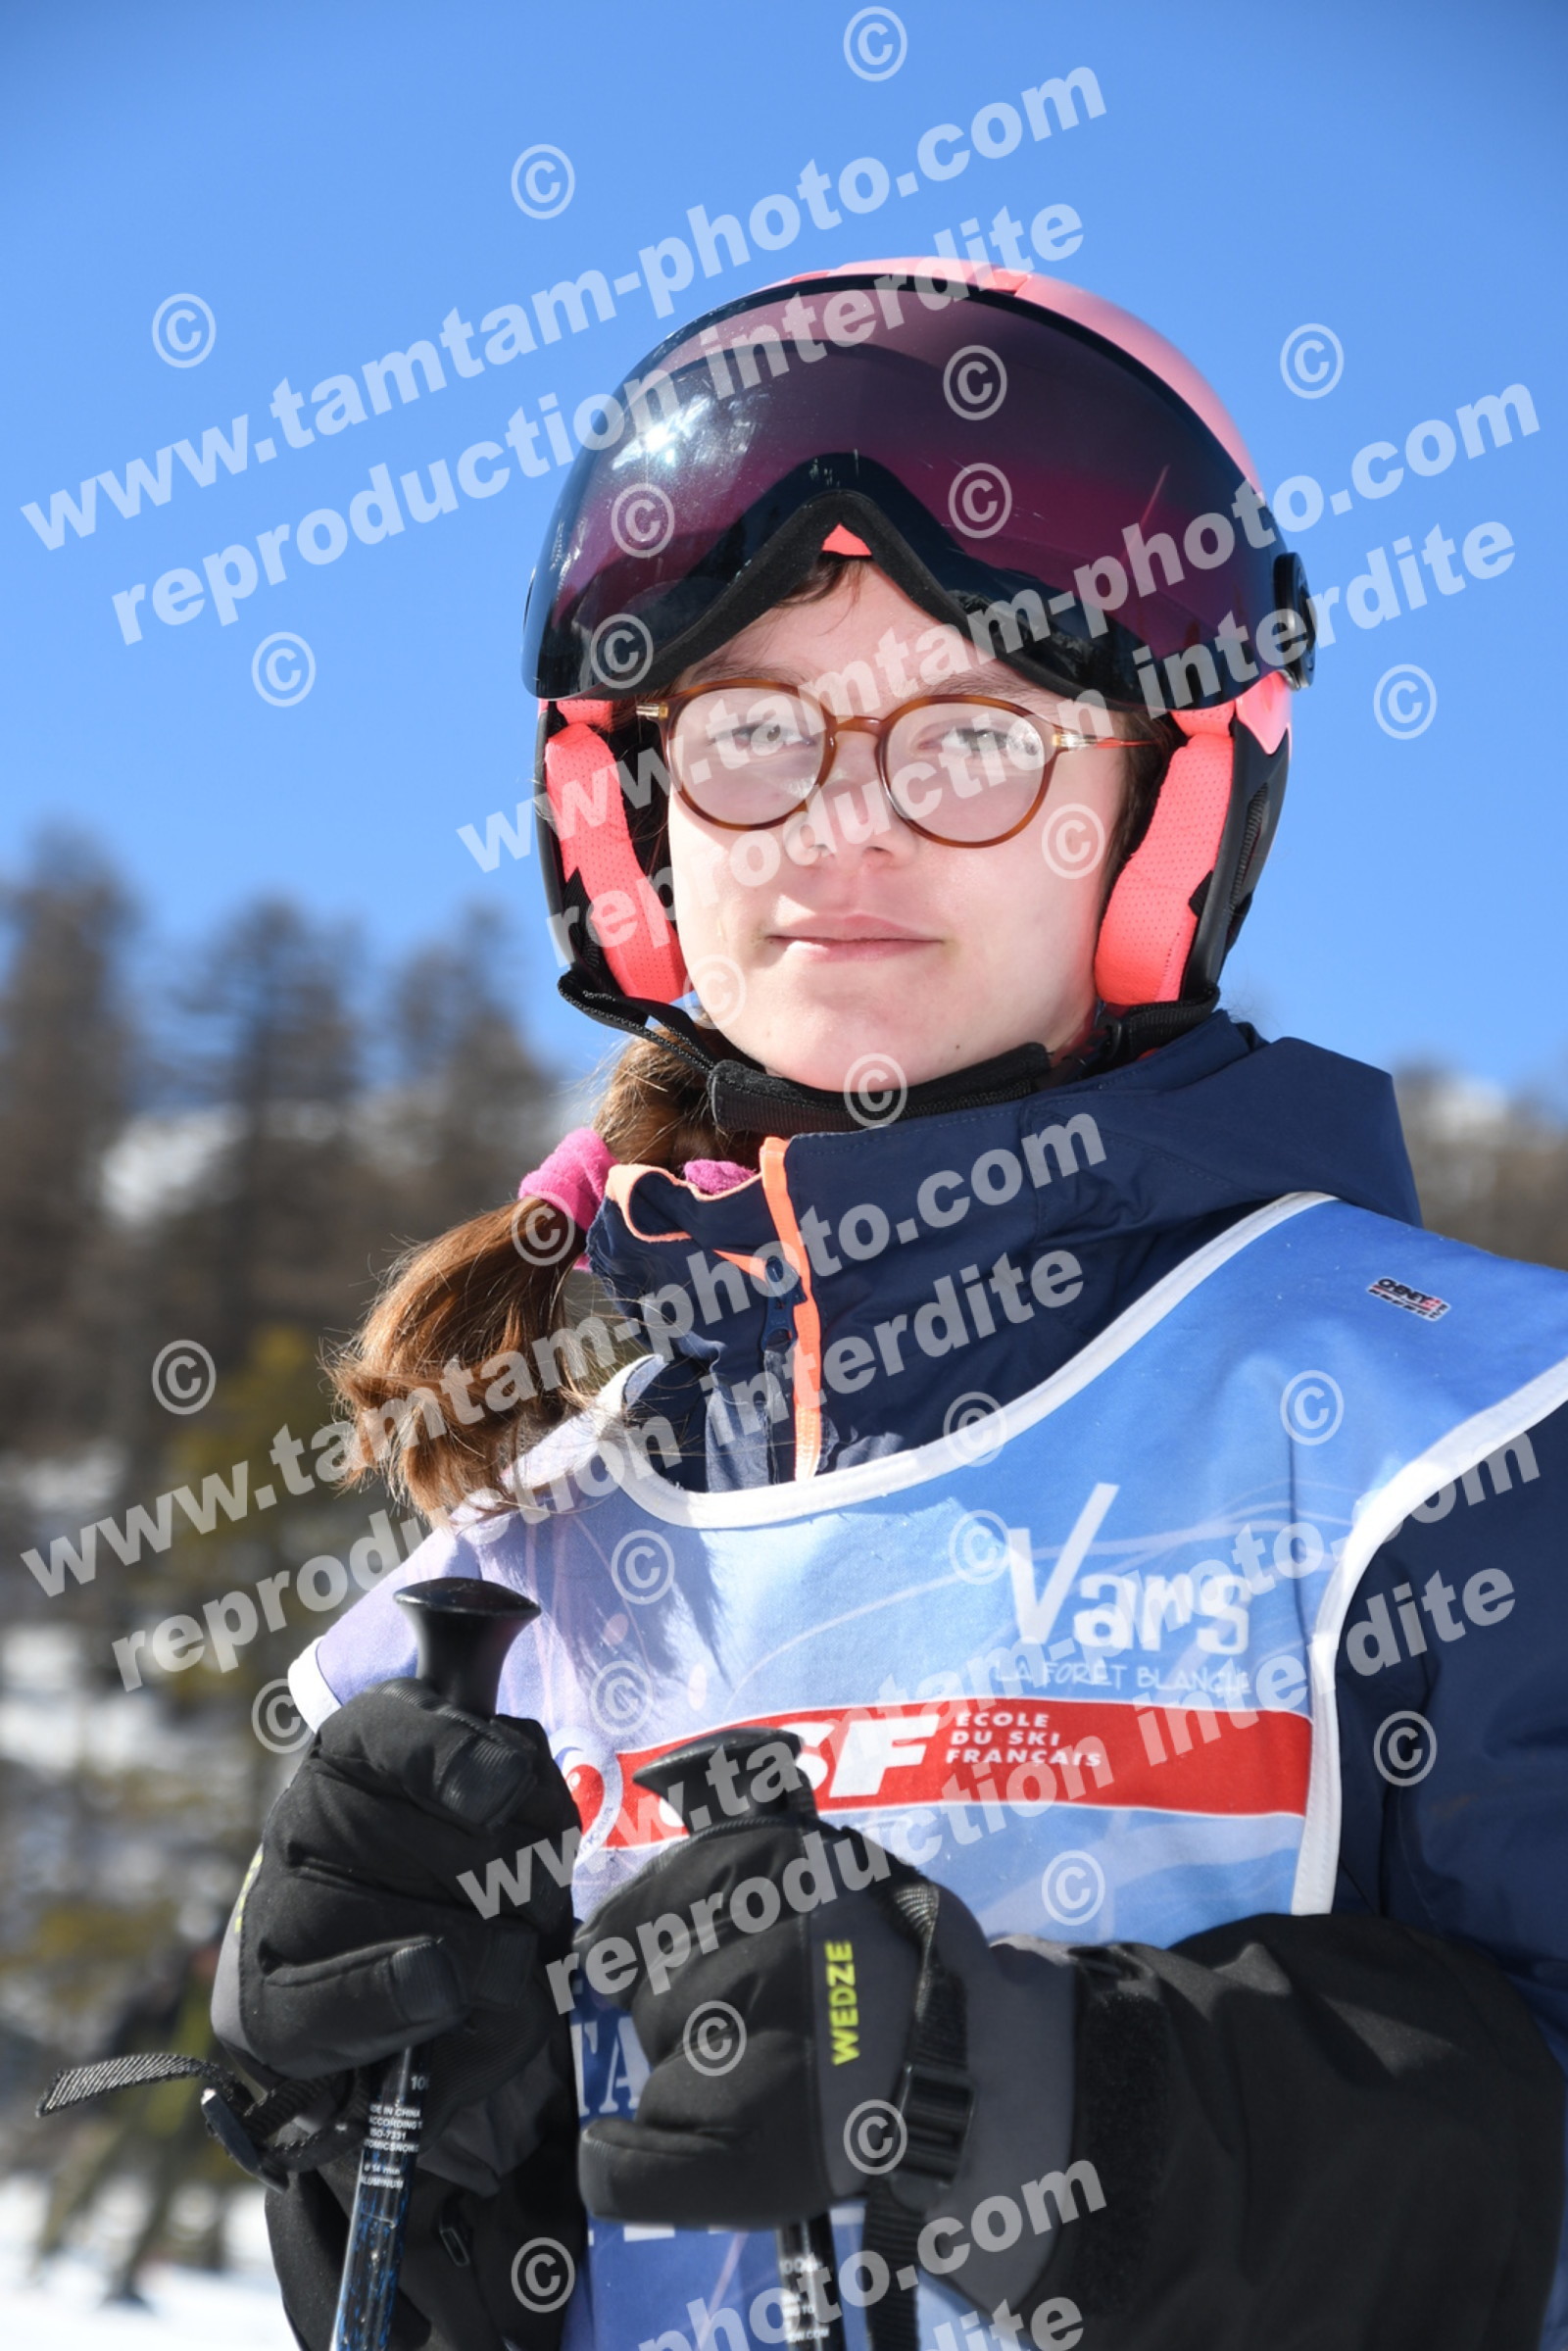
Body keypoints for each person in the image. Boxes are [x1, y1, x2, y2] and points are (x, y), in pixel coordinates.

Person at [212, 261, 1568, 2351]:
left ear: (1162, 811)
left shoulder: (1475, 1446)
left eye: (973, 737)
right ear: (628, 815)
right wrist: (392, 2171)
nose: (845, 823)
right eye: (755, 731)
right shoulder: (500, 1578)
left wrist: (1035, 2105)